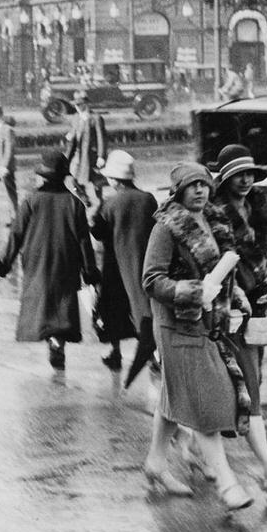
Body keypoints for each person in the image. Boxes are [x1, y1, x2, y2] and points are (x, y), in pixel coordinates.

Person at [142, 163, 267, 509]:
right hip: (176, 325)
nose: (199, 190)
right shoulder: (166, 227)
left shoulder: (215, 221)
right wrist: (194, 291)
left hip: (209, 323)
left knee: (175, 394)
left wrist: (236, 300)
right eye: (191, 185)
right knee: (207, 401)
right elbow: (151, 279)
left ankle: (155, 463)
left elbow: (225, 274)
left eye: (203, 184)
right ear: (178, 191)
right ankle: (227, 484)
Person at [210, 145, 267, 498]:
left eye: (249, 174)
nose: (245, 180)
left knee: (247, 381)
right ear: (225, 178)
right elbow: (213, 263)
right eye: (238, 175)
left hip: (256, 305)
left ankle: (180, 451)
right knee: (243, 388)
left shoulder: (259, 206)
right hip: (227, 309)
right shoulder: (214, 213)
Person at [0, 149, 99, 371]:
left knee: (42, 305)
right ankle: (58, 341)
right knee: (62, 306)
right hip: (66, 262)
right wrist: (90, 274)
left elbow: (15, 236)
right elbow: (84, 243)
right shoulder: (75, 204)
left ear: (43, 176)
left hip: (37, 261)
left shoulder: (31, 201)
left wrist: (0, 266)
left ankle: (51, 338)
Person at [87, 149, 156, 374]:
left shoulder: (110, 203)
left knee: (112, 306)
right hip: (144, 260)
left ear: (115, 180)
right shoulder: (148, 199)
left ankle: (114, 351)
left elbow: (97, 233)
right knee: (143, 305)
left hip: (115, 263)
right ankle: (152, 353)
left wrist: (91, 217)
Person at [62, 90, 108, 204]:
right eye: (75, 105)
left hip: (91, 155)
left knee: (96, 180)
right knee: (73, 178)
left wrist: (101, 156)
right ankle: (84, 199)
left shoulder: (95, 118)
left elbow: (101, 138)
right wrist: (69, 136)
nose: (77, 107)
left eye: (79, 104)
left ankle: (100, 202)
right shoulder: (75, 117)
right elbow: (73, 132)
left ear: (86, 104)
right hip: (77, 154)